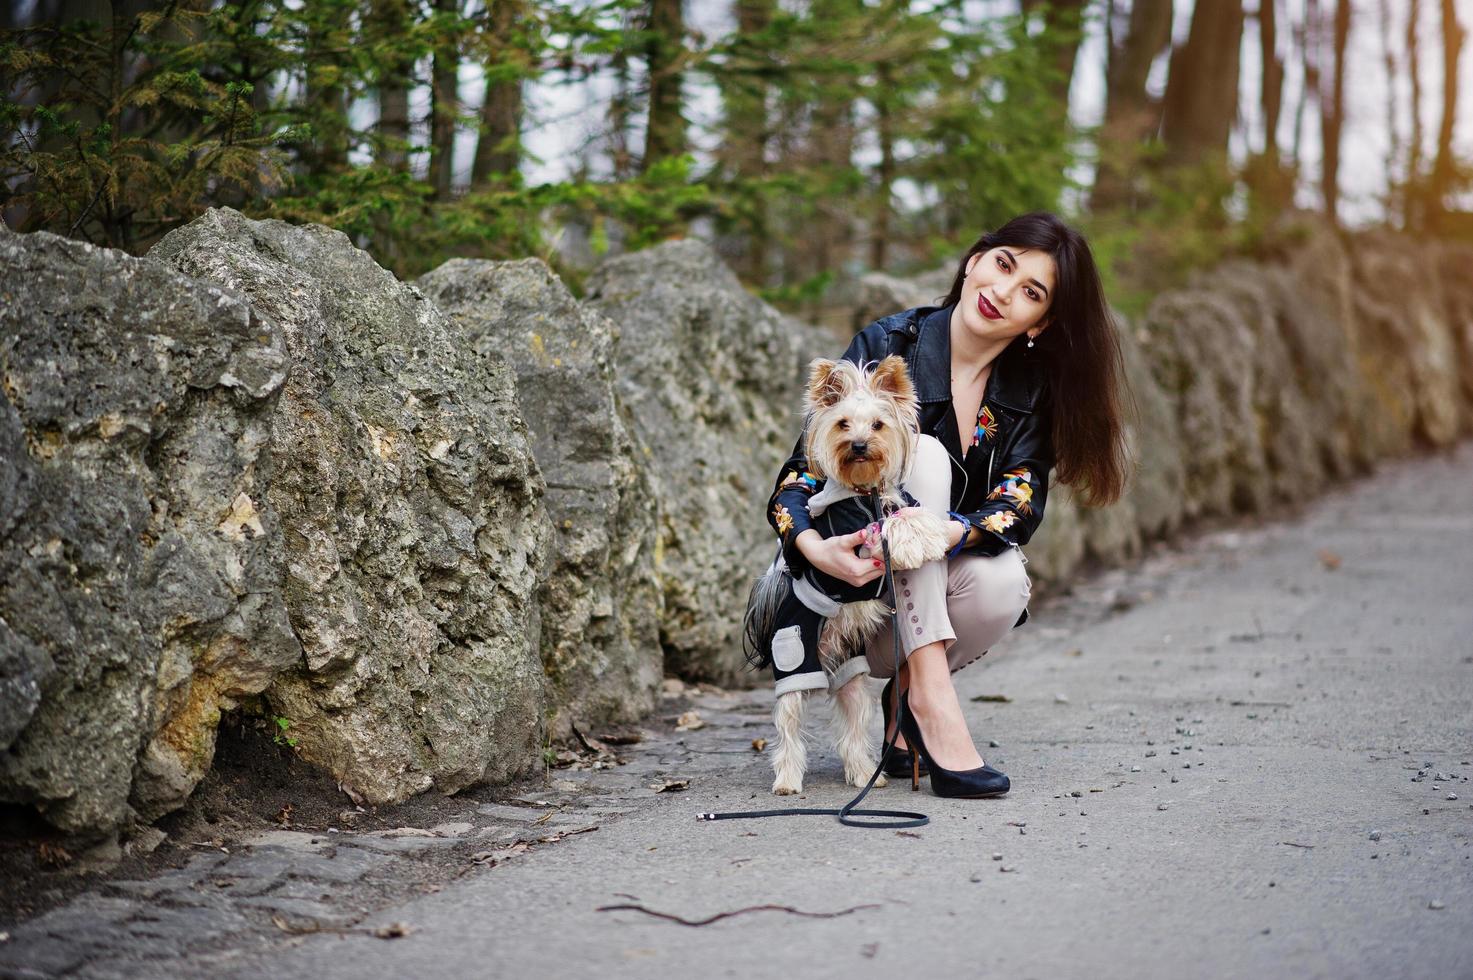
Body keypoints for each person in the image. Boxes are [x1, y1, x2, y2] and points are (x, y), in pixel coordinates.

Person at [766, 211, 1131, 797]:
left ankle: (916, 692)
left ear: (1043, 320)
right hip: (847, 607)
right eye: (1003, 265)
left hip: (910, 619)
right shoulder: (888, 345)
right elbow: (796, 476)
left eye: (1030, 292)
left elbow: (1020, 500)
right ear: (974, 260)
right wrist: (816, 549)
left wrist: (943, 534)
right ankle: (933, 705)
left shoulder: (1030, 387)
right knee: (928, 456)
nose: (1002, 292)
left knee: (1004, 583)